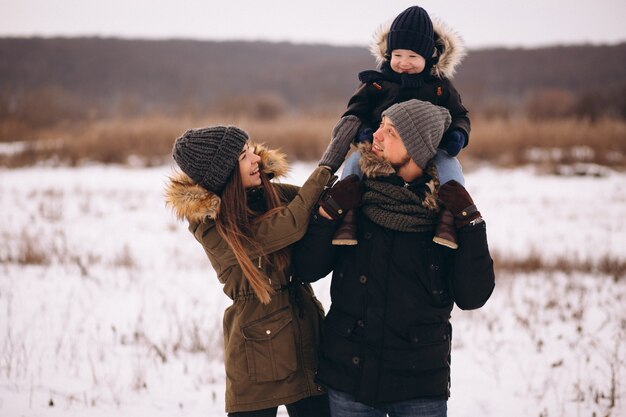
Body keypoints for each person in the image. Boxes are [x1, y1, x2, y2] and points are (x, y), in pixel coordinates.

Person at [293, 99, 496, 417]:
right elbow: (306, 267)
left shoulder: (445, 213)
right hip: (350, 379)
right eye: (380, 126)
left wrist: (470, 222)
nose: (375, 135)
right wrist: (327, 212)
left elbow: (473, 296)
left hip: (419, 385)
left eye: (391, 131)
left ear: (417, 146)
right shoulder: (354, 199)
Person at [164, 125, 358, 416]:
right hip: (256, 350)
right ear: (224, 173)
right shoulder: (210, 227)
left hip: (304, 333)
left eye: (250, 149)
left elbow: (312, 201)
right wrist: (329, 161)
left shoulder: (263, 193)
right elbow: (289, 224)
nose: (255, 158)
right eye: (243, 156)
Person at [324, 5, 471, 249]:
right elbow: (354, 111)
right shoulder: (377, 84)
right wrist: (364, 134)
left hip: (428, 151)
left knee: (450, 165)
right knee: (353, 163)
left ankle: (450, 217)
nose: (404, 63)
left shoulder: (439, 87)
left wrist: (457, 134)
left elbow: (460, 115)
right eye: (398, 55)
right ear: (388, 54)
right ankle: (346, 215)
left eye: (413, 56)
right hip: (377, 146)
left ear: (429, 56)